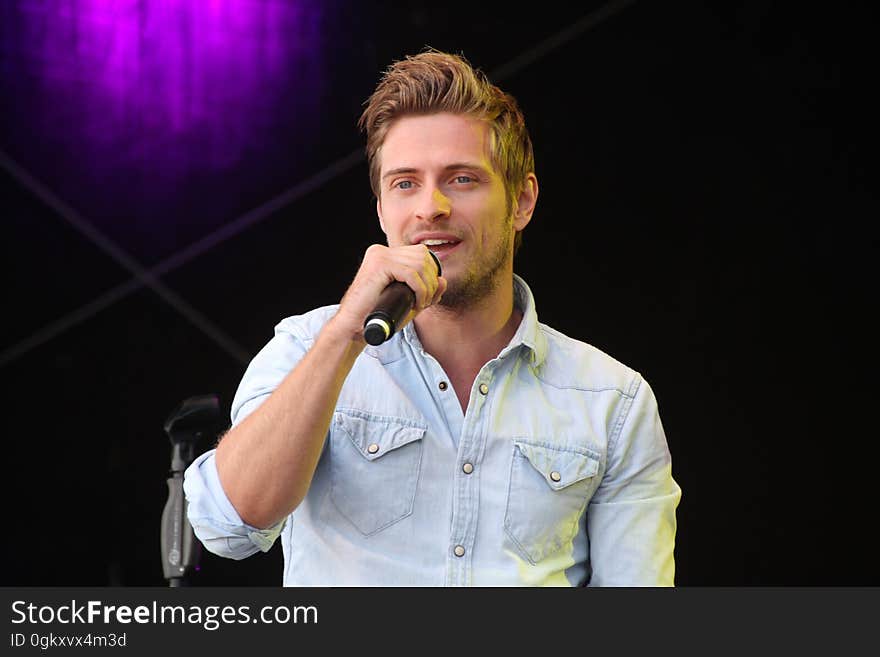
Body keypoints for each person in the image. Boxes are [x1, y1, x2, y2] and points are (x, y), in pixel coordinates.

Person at [183, 47, 682, 586]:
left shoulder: (612, 400)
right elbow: (227, 526)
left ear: (522, 201)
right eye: (404, 183)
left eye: (462, 179)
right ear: (380, 209)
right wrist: (346, 335)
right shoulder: (308, 346)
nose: (430, 207)